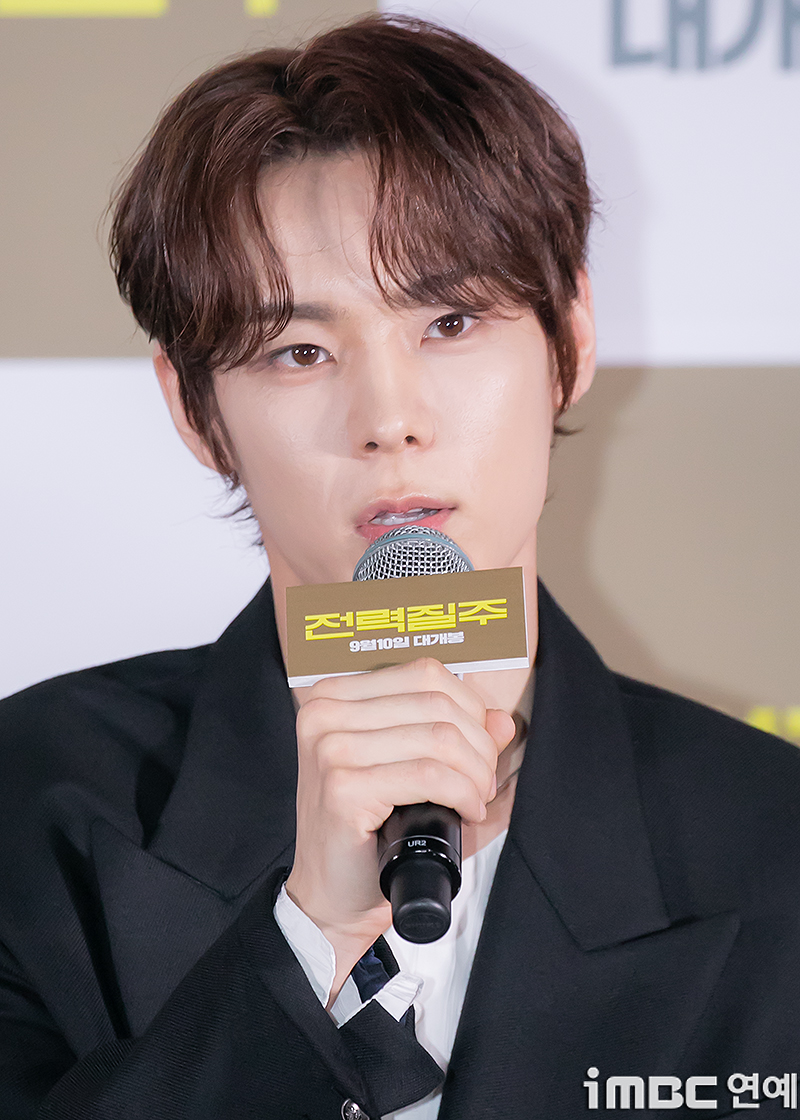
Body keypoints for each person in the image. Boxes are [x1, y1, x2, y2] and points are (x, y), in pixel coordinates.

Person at [1, 14, 799, 1120]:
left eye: (451, 322)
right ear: (193, 409)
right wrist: (309, 939)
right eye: (299, 351)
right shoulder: (31, 808)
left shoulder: (773, 836)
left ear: (569, 339)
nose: (389, 418)